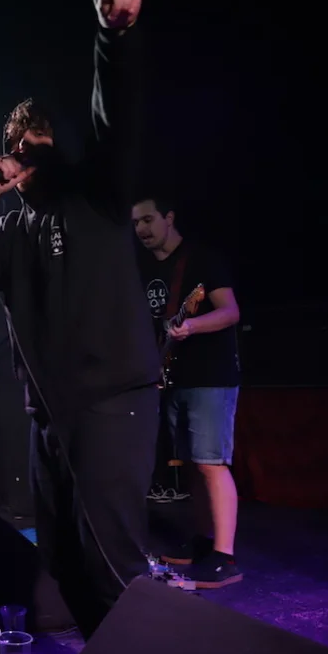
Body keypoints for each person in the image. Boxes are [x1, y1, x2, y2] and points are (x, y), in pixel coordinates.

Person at [0, 0, 156, 638]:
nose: (24, 153)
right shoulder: (11, 230)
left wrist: (113, 36)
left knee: (110, 559)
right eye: (15, 144)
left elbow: (118, 118)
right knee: (62, 559)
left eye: (36, 141)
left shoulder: (96, 196)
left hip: (110, 400)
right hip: (50, 416)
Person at [133, 195, 242, 587]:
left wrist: (192, 326)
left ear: (169, 217)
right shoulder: (144, 267)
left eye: (148, 219)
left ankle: (225, 558)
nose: (141, 229)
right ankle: (201, 542)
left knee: (212, 463)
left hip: (209, 376)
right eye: (136, 223)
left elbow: (230, 312)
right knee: (193, 465)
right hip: (172, 376)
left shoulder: (201, 259)